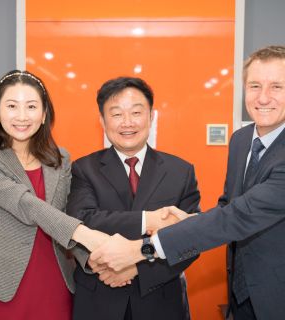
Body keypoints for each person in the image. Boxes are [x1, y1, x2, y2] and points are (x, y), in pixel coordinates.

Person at [91, 45, 285, 320]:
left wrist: (142, 249)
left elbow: (238, 217)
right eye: (254, 86)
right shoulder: (241, 140)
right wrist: (187, 222)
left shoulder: (180, 170)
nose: (263, 97)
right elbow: (228, 206)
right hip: (241, 297)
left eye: (277, 86)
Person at [0, 70, 109, 320]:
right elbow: (25, 204)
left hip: (55, 280)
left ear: (43, 115)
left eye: (31, 106)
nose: (22, 116)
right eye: (12, 106)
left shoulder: (60, 159)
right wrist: (88, 235)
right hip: (3, 284)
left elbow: (63, 216)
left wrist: (92, 259)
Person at [66, 77, 200, 320]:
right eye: (116, 114)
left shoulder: (181, 171)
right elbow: (82, 221)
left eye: (136, 112)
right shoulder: (83, 168)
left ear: (151, 117)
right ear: (102, 120)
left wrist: (135, 267)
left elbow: (190, 239)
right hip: (98, 301)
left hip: (160, 301)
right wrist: (147, 221)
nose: (127, 123)